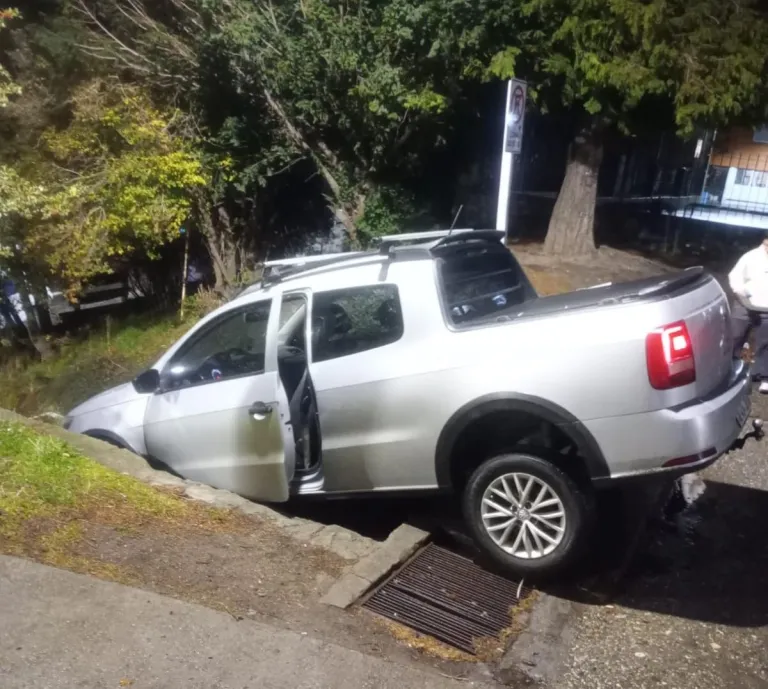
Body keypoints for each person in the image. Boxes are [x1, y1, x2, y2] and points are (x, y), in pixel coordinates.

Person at [729, 233, 768, 392]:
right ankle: (729, 370)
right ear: (765, 241)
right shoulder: (750, 257)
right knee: (734, 338)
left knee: (765, 343)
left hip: (766, 308)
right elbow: (734, 277)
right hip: (744, 305)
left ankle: (763, 377)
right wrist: (741, 293)